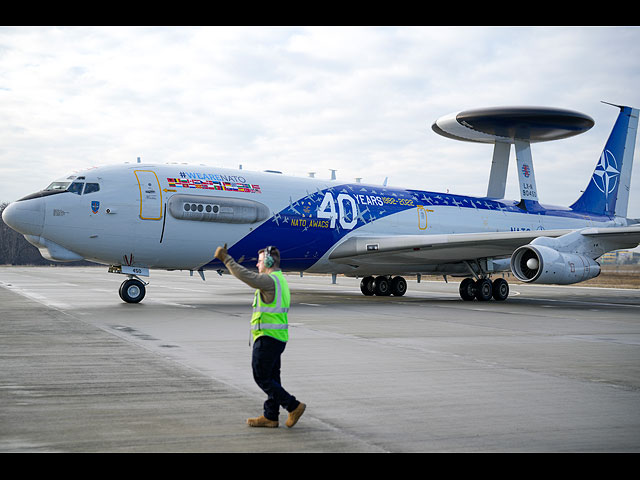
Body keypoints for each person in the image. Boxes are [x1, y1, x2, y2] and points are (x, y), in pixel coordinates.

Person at [214, 244, 306, 428]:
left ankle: (293, 406)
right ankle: (271, 416)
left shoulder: (269, 280)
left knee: (261, 377)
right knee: (273, 379)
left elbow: (245, 276)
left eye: (260, 261)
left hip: (267, 337)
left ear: (269, 262)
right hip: (278, 337)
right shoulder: (280, 281)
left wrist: (226, 259)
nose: (257, 265)